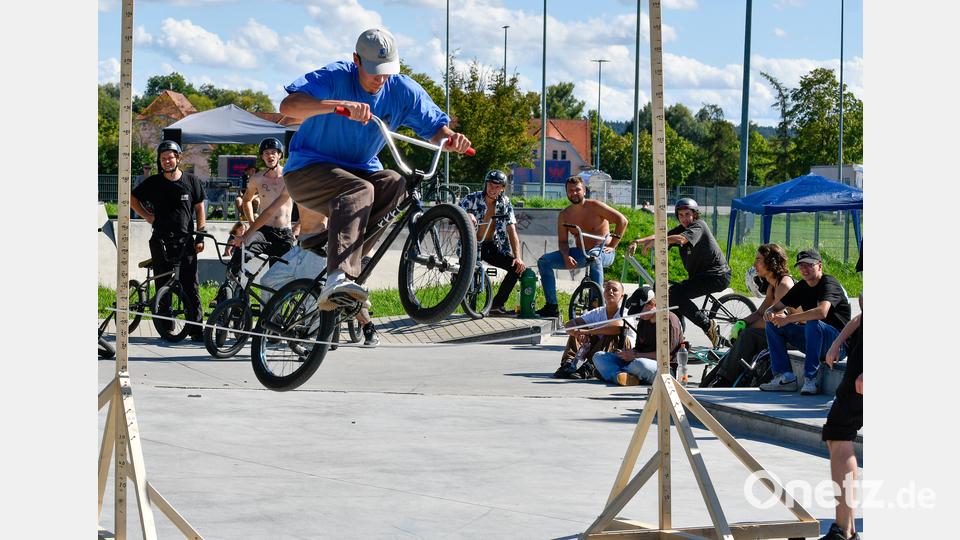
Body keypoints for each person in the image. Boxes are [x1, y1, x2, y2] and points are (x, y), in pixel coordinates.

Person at [279, 27, 472, 311]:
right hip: (309, 169)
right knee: (359, 189)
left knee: (395, 182)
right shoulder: (335, 76)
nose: (380, 79)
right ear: (356, 60)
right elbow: (288, 106)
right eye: (374, 72)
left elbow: (435, 130)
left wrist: (451, 139)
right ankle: (339, 275)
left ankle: (349, 260)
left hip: (361, 170)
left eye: (386, 72)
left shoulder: (402, 90)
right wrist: (337, 105)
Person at [257, 195, 381, 347]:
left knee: (343, 296)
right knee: (268, 281)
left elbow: (340, 217)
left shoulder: (328, 184)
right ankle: (274, 326)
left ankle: (366, 327)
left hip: (329, 249)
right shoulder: (298, 182)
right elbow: (283, 211)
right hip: (301, 246)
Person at [130, 140, 207, 341]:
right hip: (160, 240)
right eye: (163, 158)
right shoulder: (154, 182)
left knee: (190, 284)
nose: (166, 161)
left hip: (185, 240)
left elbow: (200, 208)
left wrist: (201, 234)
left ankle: (196, 329)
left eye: (170, 157)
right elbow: (132, 198)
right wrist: (147, 216)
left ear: (178, 158)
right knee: (162, 283)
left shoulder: (191, 181)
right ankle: (166, 326)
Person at [629, 198, 730, 347]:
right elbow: (659, 236)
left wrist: (657, 243)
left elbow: (681, 240)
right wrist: (638, 242)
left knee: (676, 294)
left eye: (687, 214)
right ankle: (678, 336)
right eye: (681, 215)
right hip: (702, 276)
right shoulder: (682, 228)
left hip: (717, 275)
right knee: (673, 295)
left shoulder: (698, 226)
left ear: (695, 214)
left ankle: (708, 325)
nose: (684, 218)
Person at [759, 248, 851, 395]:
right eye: (801, 265)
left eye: (809, 265)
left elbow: (821, 312)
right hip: (814, 341)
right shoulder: (802, 286)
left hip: (837, 345)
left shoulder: (829, 282)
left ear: (819, 266)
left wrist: (787, 319)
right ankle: (785, 377)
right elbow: (778, 306)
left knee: (813, 322)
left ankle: (810, 379)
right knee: (773, 325)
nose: (804, 269)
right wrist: (769, 313)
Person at [535, 176, 628, 318]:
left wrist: (613, 245)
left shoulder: (596, 206)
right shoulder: (565, 215)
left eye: (578, 189)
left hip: (603, 251)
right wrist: (566, 256)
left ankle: (598, 305)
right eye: (570, 190)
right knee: (544, 261)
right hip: (581, 252)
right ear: (566, 193)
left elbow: (622, 221)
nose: (574, 193)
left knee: (595, 256)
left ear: (584, 191)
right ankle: (551, 306)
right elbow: (563, 242)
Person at [709, 244, 796, 387]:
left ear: (771, 262)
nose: (754, 264)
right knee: (747, 333)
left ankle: (726, 379)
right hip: (784, 332)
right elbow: (761, 313)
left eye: (758, 259)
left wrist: (746, 328)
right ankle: (721, 375)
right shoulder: (772, 285)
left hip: (796, 336)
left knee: (749, 335)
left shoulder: (784, 285)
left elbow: (774, 320)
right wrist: (741, 322)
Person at [818, 293, 863, 540]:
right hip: (859, 357)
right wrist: (838, 342)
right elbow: (863, 316)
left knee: (839, 436)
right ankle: (847, 528)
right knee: (837, 438)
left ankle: (843, 530)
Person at [458, 170, 525, 316]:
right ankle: (467, 304)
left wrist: (517, 257)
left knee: (516, 268)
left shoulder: (505, 203)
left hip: (490, 246)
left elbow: (512, 230)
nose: (492, 189)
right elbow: (457, 211)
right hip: (470, 245)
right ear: (486, 184)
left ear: (502, 188)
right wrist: (467, 214)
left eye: (497, 186)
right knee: (469, 276)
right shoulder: (472, 198)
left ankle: (496, 305)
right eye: (490, 185)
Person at [228, 138, 296, 276]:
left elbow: (271, 210)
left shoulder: (289, 176)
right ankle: (227, 291)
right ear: (262, 156)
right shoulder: (257, 179)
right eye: (266, 153)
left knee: (278, 276)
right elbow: (246, 200)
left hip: (285, 234)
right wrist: (252, 223)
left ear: (280, 155)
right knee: (240, 255)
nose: (270, 155)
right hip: (264, 231)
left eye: (273, 152)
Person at [593, 285, 683, 386]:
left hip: (664, 368)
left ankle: (614, 374)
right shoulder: (643, 321)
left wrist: (635, 355)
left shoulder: (669, 321)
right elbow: (639, 348)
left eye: (641, 310)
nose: (639, 314)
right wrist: (628, 353)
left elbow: (666, 355)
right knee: (599, 356)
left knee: (640, 364)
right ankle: (624, 376)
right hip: (637, 360)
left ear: (652, 303)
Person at [554, 280, 634, 379]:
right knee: (578, 328)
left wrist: (588, 332)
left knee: (613, 333)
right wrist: (578, 333)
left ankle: (591, 366)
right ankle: (568, 364)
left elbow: (618, 327)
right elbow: (570, 324)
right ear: (604, 293)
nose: (610, 292)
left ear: (622, 296)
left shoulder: (626, 313)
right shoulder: (598, 312)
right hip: (598, 349)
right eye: (608, 289)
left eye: (615, 290)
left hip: (622, 351)